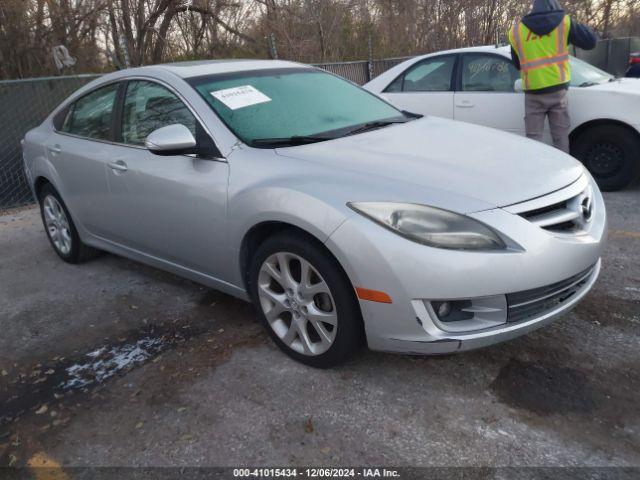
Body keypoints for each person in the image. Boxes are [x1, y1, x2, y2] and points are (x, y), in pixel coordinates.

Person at [509, 0, 597, 153]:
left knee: (533, 140)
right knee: (561, 138)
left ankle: (535, 173)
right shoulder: (564, 23)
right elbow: (591, 42)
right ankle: (562, 173)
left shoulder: (517, 31)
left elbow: (518, 64)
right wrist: (563, 16)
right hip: (558, 91)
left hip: (533, 92)